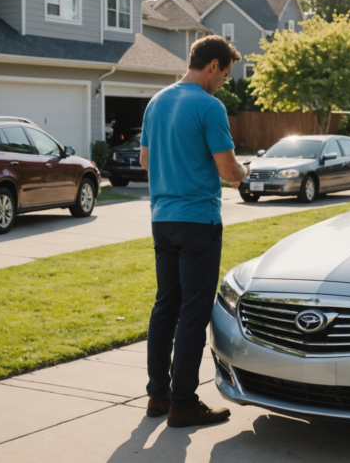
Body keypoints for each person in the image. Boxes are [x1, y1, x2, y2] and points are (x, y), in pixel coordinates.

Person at [139, 35, 249, 428]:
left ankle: (158, 395)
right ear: (213, 66)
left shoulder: (156, 102)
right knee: (193, 312)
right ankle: (183, 402)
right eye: (226, 74)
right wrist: (246, 171)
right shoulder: (209, 106)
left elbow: (145, 160)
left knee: (165, 306)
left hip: (162, 220)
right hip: (198, 222)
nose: (223, 82)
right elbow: (228, 171)